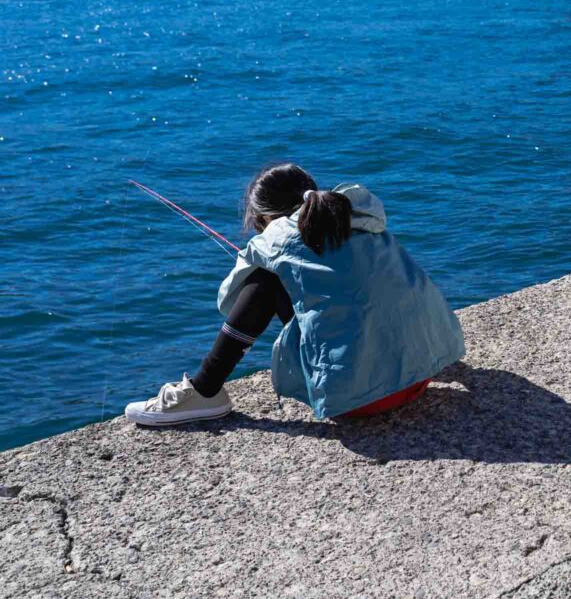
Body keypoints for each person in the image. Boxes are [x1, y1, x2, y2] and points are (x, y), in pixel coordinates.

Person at [125, 164, 466, 426]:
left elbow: (230, 301)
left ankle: (204, 391)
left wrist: (267, 266)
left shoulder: (277, 237)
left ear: (263, 215)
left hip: (363, 398)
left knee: (264, 282)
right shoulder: (360, 216)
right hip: (420, 373)